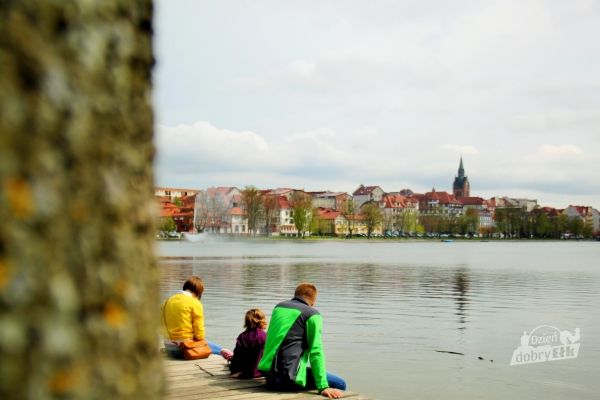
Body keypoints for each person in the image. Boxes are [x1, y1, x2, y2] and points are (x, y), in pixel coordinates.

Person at [258, 283, 346, 399]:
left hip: (270, 376)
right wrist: (323, 387)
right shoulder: (312, 314)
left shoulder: (279, 307)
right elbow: (316, 352)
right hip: (289, 380)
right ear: (313, 301)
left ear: (295, 295)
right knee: (340, 383)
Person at [161, 276, 221, 358]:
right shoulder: (194, 303)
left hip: (169, 349)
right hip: (187, 350)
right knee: (220, 350)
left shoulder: (167, 301)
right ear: (198, 291)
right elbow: (199, 335)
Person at [222, 308, 267, 378]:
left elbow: (237, 358)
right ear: (263, 320)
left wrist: (234, 370)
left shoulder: (242, 336)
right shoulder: (266, 336)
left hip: (243, 372)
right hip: (261, 372)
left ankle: (229, 356)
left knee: (223, 351)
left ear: (247, 321)